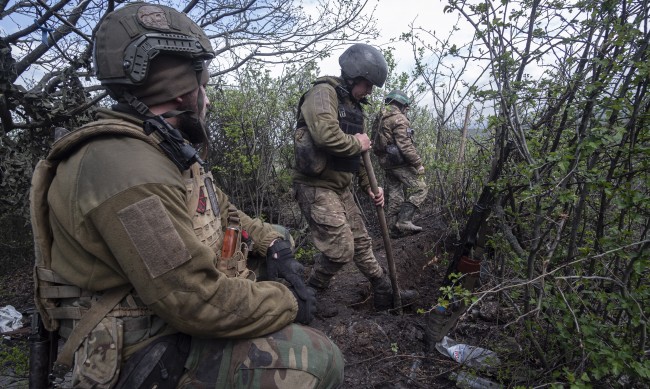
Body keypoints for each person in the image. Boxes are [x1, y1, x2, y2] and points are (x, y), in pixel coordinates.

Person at [30, 3, 343, 388]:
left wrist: (270, 241)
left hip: (163, 315)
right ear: (181, 94)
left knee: (279, 232)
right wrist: (287, 300)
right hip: (142, 349)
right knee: (319, 357)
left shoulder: (157, 145)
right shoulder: (129, 170)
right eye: (203, 88)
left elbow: (219, 207)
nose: (207, 100)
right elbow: (192, 301)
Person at [292, 43, 418, 314]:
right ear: (353, 76)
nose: (370, 91)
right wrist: (357, 142)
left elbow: (360, 156)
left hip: (341, 186)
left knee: (362, 242)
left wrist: (371, 187)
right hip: (316, 185)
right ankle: (309, 295)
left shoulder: (354, 106)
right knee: (340, 248)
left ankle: (384, 289)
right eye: (368, 84)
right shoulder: (322, 93)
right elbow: (326, 135)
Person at [371, 89, 428, 237]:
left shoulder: (380, 117)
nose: (407, 110)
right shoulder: (399, 119)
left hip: (386, 162)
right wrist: (418, 163)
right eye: (406, 107)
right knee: (420, 188)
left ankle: (392, 230)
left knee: (396, 195)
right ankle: (404, 221)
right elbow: (405, 145)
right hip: (398, 162)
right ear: (402, 105)